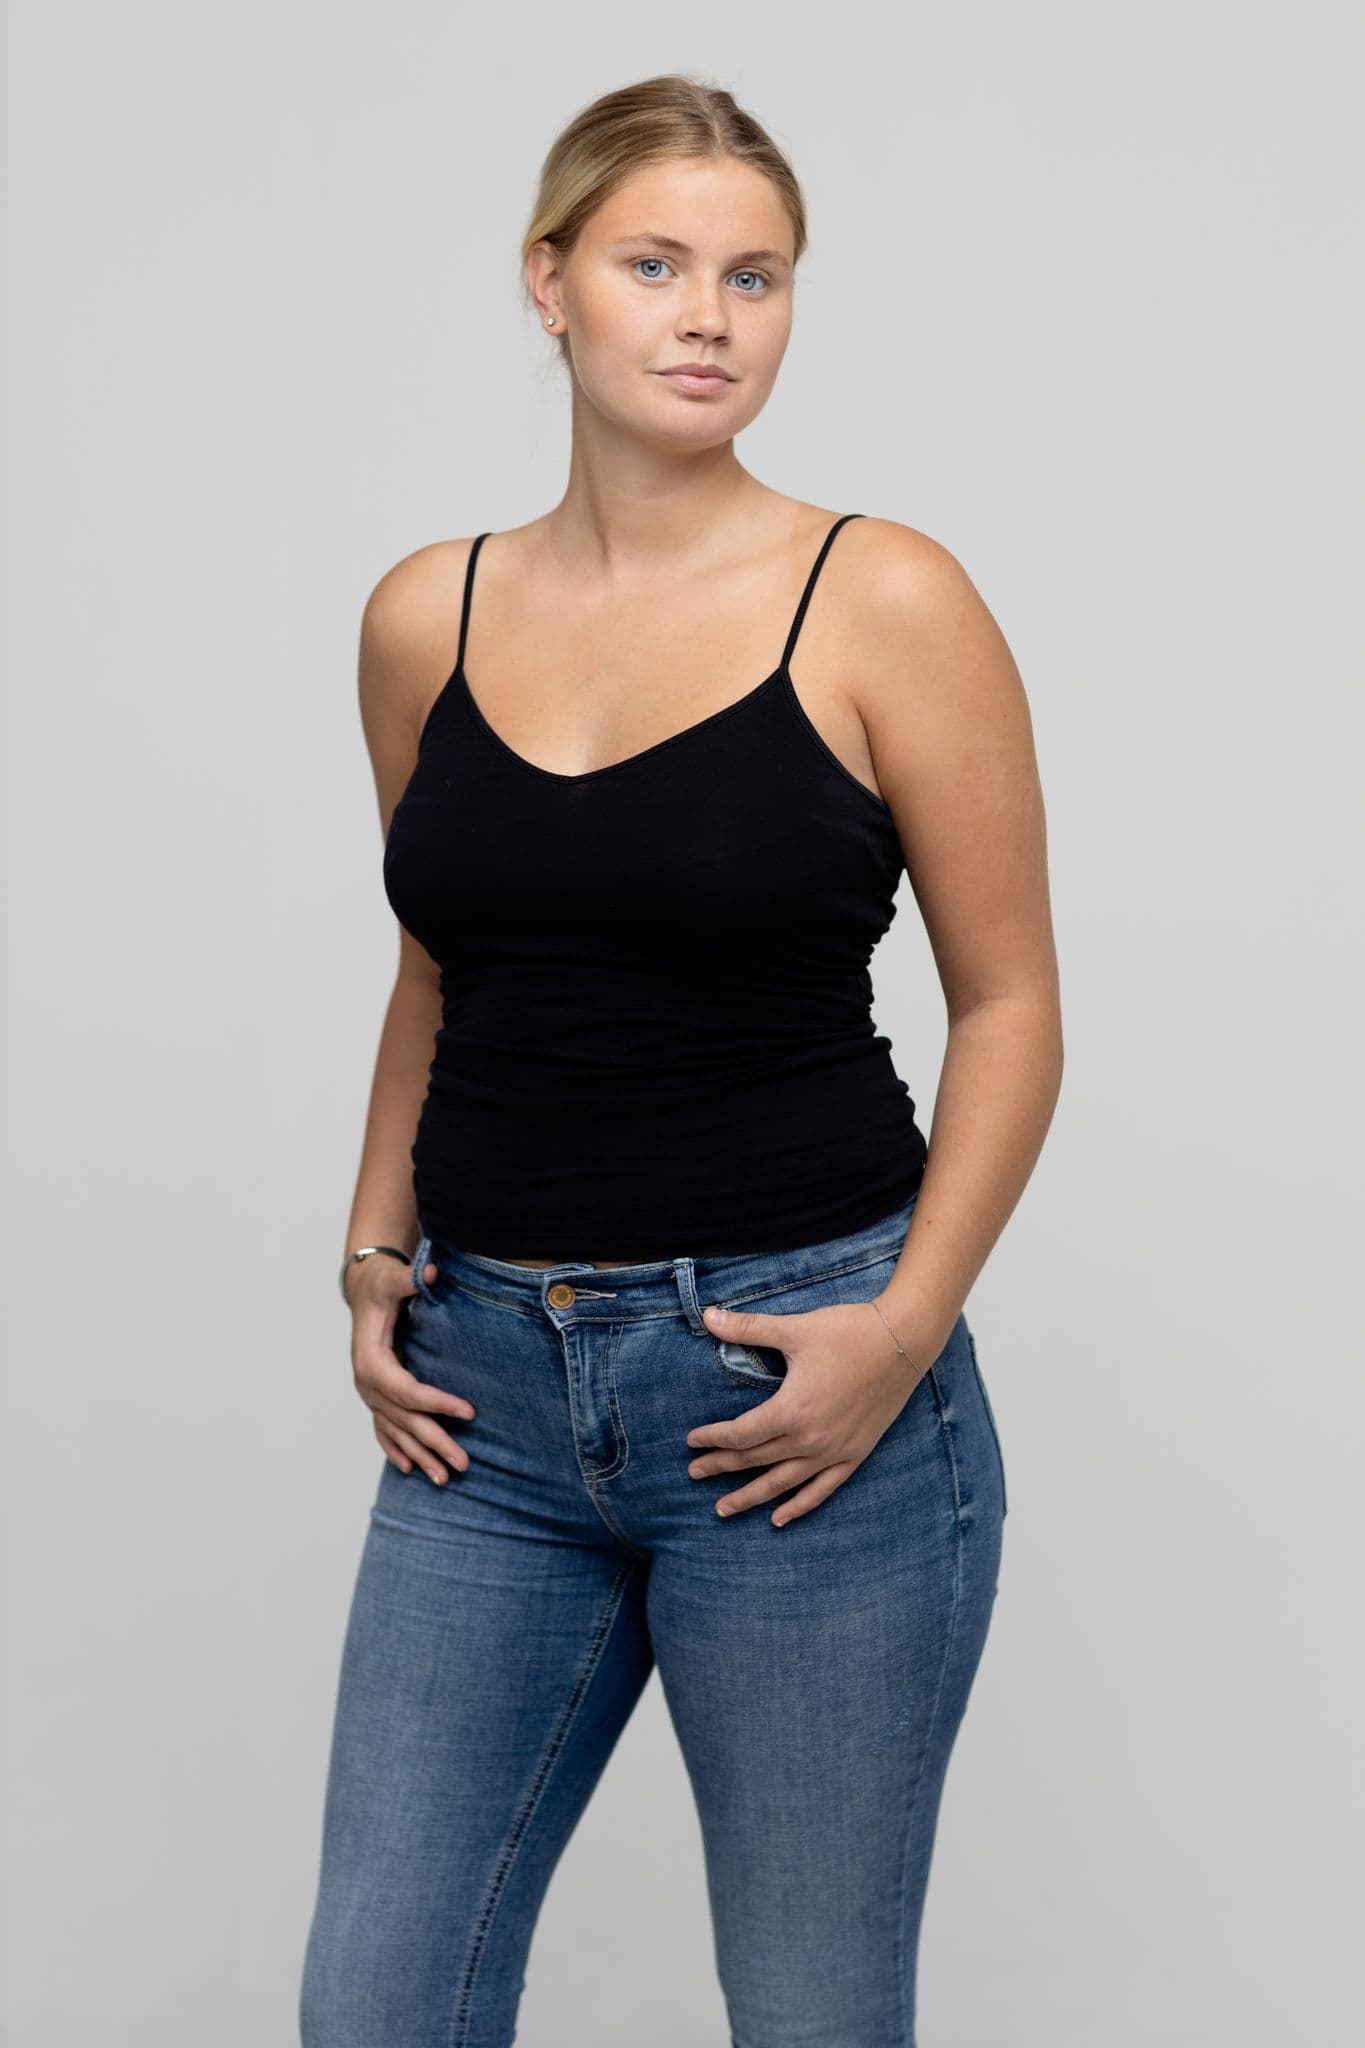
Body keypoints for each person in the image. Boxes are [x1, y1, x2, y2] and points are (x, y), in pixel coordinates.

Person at [299, 72, 1061, 2048]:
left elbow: (1007, 1004)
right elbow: (443, 962)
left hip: (797, 1383)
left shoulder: (881, 598)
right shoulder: (424, 615)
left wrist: (898, 1335)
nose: (709, 316)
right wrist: (374, 1248)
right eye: (655, 265)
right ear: (548, 281)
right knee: (377, 2003)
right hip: (483, 1396)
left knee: (809, 2015)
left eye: (755, 274)